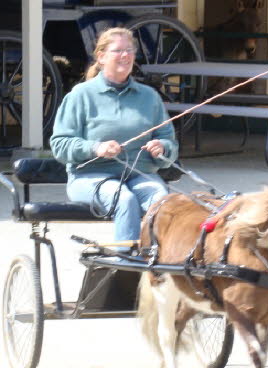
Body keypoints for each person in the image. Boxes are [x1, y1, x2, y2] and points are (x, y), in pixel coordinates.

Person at [50, 27, 178, 245]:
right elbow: (60, 145)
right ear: (101, 57)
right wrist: (95, 148)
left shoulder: (149, 97)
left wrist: (163, 148)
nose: (126, 55)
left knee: (162, 202)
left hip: (140, 176)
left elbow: (170, 144)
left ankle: (158, 266)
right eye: (118, 51)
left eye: (129, 50)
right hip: (90, 177)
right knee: (124, 199)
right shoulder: (81, 96)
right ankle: (125, 266)